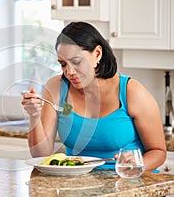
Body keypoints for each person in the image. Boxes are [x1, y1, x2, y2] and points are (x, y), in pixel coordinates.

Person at [21, 21, 166, 171]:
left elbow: (159, 152)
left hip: (128, 180)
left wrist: (136, 164)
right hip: (78, 184)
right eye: (63, 64)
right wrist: (34, 116)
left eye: (76, 62)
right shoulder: (56, 87)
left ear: (97, 54)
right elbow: (40, 154)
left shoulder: (132, 91)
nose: (69, 72)